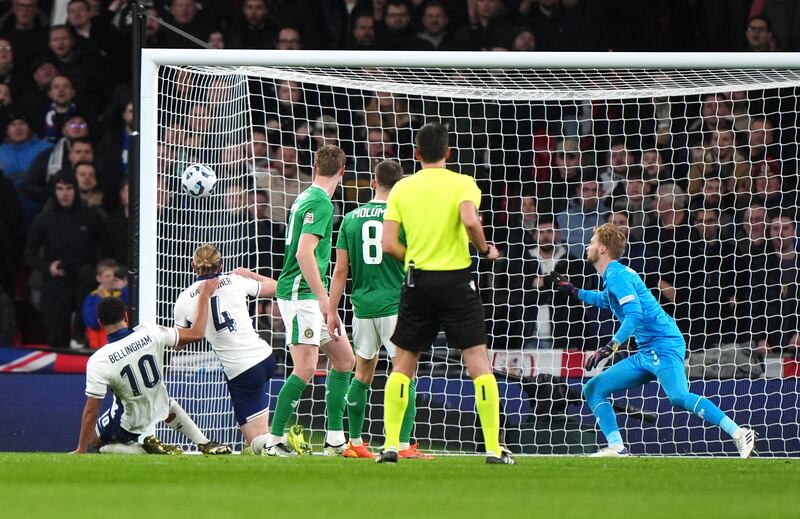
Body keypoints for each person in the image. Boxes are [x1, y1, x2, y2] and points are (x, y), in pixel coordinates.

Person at [549, 223, 756, 458]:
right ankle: (617, 447)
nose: (589, 246)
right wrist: (574, 291)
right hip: (646, 351)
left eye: (593, 242)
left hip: (663, 344)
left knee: (678, 396)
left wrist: (610, 346)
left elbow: (634, 314)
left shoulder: (617, 275)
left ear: (603, 249)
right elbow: (606, 301)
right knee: (594, 388)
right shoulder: (615, 275)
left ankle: (739, 432)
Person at [377, 122, 513, 464]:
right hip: (457, 281)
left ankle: (391, 444)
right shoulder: (463, 183)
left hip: (418, 281)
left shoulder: (402, 190)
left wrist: (415, 258)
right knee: (478, 363)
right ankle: (494, 449)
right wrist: (485, 250)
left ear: (416, 154)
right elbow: (470, 221)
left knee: (403, 364)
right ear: (449, 153)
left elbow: (389, 243)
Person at [327, 159, 432, 460]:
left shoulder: (350, 218)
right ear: (399, 186)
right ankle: (401, 444)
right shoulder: (403, 217)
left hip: (362, 307)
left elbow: (340, 270)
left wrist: (332, 310)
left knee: (362, 374)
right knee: (405, 373)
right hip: (395, 306)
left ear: (373, 183)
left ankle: (356, 442)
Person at [266, 144, 355, 457]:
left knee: (345, 360)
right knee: (304, 368)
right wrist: (323, 298)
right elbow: (304, 252)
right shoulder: (321, 202)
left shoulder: (305, 196)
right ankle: (273, 441)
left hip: (306, 294)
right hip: (302, 295)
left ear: (315, 167)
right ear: (342, 172)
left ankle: (333, 439)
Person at [72, 288, 231, 455]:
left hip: (128, 422)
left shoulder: (100, 359)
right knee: (165, 401)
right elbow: (196, 334)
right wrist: (204, 296)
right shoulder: (151, 331)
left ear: (100, 324)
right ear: (126, 316)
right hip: (159, 404)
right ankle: (204, 442)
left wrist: (81, 449)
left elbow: (92, 410)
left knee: (95, 441)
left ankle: (144, 450)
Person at [173, 243, 280, 456]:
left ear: (192, 265)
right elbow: (277, 287)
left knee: (257, 442)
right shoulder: (236, 281)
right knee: (260, 434)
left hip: (241, 370)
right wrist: (249, 274)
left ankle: (285, 439)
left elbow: (179, 342)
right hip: (265, 357)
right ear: (221, 265)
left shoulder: (184, 299)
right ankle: (277, 441)